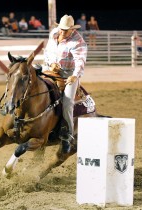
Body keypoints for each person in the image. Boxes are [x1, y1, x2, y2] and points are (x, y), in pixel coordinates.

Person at [43, 14, 87, 153]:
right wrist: (51, 63)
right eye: (61, 29)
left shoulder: (78, 41)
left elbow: (80, 60)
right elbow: (48, 52)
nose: (62, 32)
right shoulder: (54, 34)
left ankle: (67, 136)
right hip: (51, 69)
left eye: (66, 30)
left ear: (72, 30)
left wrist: (75, 76)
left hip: (69, 75)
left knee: (67, 102)